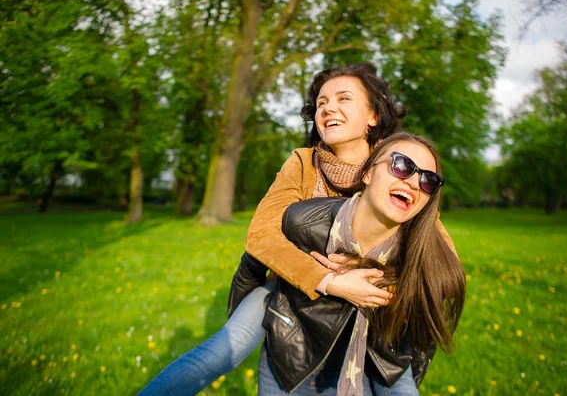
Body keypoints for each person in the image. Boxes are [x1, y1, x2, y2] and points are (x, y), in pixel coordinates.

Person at [139, 64, 455, 395]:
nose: (329, 107)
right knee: (218, 353)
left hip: (365, 305)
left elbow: (439, 258)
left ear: (373, 116)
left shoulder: (396, 170)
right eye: (321, 103)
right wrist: (329, 278)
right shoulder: (303, 163)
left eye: (343, 98)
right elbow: (262, 237)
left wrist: (368, 271)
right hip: (290, 288)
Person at [231, 132, 466, 395]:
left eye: (428, 180)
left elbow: (430, 318)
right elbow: (255, 255)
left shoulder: (425, 250)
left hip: (379, 360)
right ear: (367, 174)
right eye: (402, 166)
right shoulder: (306, 220)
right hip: (293, 358)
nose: (413, 182)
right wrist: (328, 281)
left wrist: (387, 282)